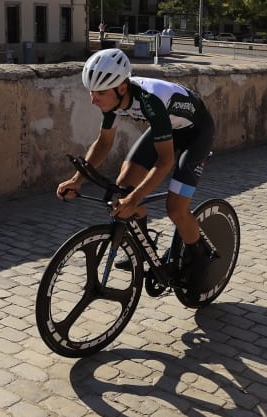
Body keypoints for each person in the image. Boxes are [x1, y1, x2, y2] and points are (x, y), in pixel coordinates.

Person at [56, 48, 216, 289]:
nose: (93, 99)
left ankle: (201, 259)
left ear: (121, 88)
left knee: (175, 208)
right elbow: (104, 143)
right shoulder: (113, 100)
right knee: (123, 188)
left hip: (196, 133)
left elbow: (165, 162)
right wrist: (78, 179)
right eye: (91, 91)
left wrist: (135, 199)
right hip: (168, 127)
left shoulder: (150, 100)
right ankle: (144, 248)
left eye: (100, 93)